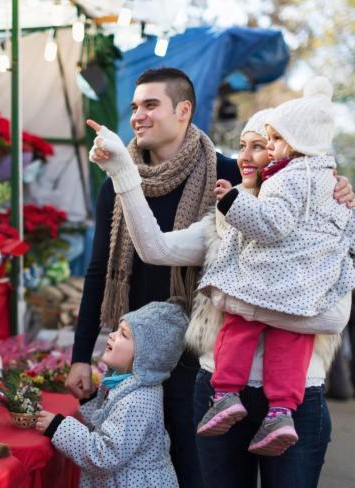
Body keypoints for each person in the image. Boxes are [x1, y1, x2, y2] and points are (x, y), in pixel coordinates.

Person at [87, 103, 353, 485]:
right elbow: (155, 249)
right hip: (218, 394)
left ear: (291, 152)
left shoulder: (325, 222)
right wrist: (122, 172)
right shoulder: (226, 218)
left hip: (297, 402)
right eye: (243, 145)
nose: (244, 156)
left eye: (261, 144)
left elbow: (331, 317)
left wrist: (232, 300)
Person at [68, 67, 242, 487]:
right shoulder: (117, 178)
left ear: (183, 110)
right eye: (134, 107)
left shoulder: (228, 174)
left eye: (150, 105)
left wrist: (338, 186)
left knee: (195, 467)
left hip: (197, 354)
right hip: (136, 357)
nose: (137, 116)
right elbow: (99, 270)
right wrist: (79, 354)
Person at [196, 77, 355, 455]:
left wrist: (233, 203)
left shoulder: (287, 182)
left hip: (279, 294)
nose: (257, 152)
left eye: (269, 142)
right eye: (245, 146)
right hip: (307, 295)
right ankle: (281, 412)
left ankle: (226, 393)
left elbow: (272, 223)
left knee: (240, 324)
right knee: (292, 341)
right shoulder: (322, 182)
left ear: (295, 146)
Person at [37, 301, 188, 488]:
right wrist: (91, 400)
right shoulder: (130, 384)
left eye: (124, 334)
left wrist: (58, 427)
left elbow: (105, 455)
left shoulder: (138, 400)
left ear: (146, 355)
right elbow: (114, 423)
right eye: (117, 329)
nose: (112, 335)